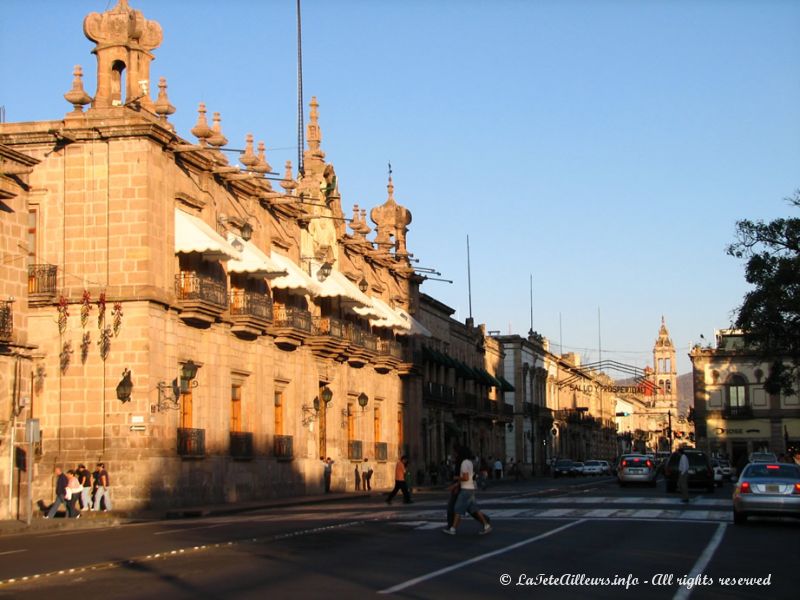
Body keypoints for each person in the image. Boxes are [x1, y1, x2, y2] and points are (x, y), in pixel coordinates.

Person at [443, 446, 491, 535]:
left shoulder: (464, 463)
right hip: (470, 488)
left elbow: (465, 477)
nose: (455, 454)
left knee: (457, 509)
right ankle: (486, 524)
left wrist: (456, 478)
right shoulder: (469, 462)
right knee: (474, 509)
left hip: (466, 489)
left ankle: (452, 529)